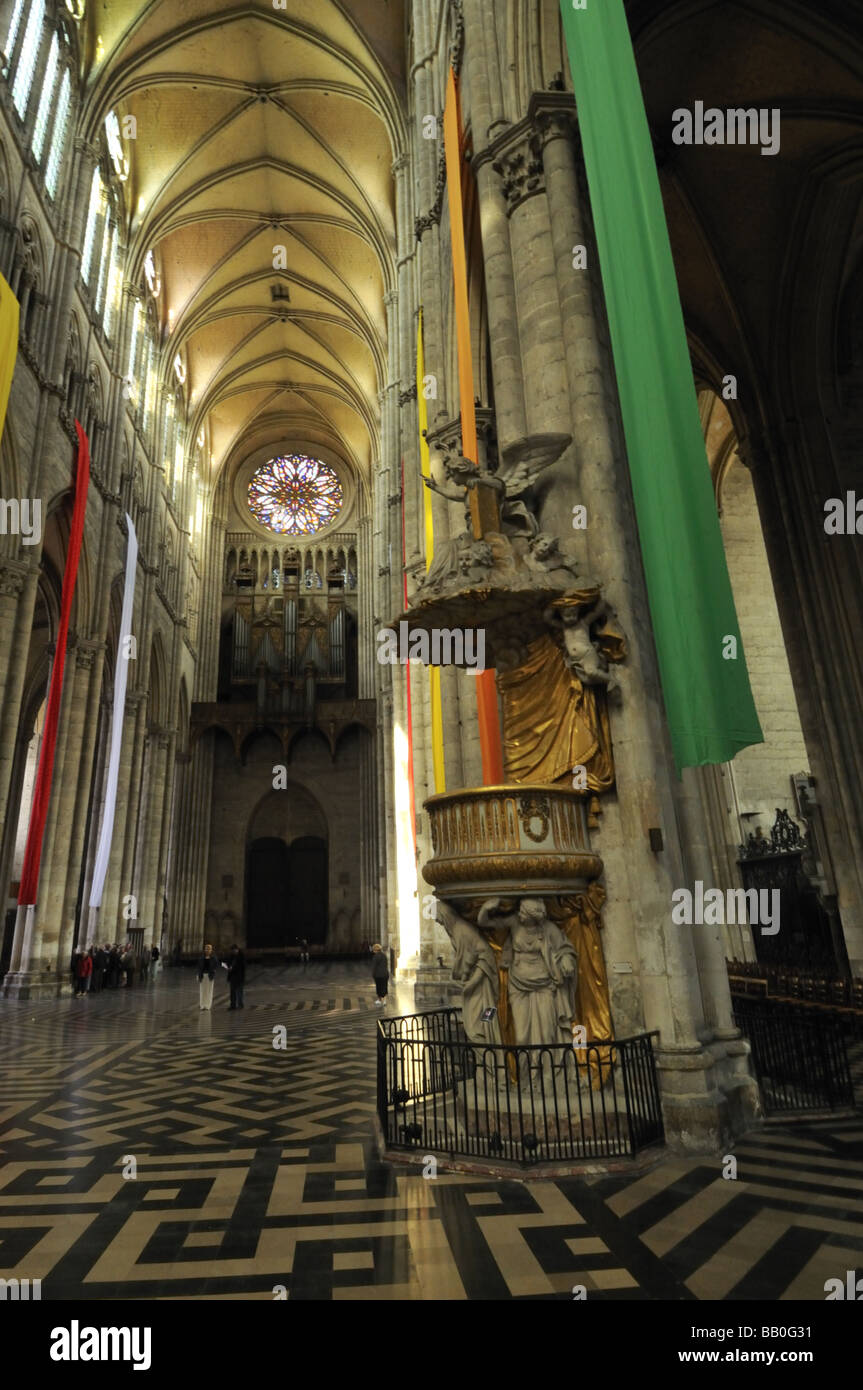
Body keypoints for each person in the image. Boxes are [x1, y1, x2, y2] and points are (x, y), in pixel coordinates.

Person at [196, 943, 219, 1010]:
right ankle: (202, 1005)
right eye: (206, 948)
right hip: (202, 975)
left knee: (209, 991)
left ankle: (208, 1005)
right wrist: (198, 974)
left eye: (209, 949)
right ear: (204, 949)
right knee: (202, 991)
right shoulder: (201, 958)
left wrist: (214, 971)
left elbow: (216, 966)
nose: (207, 950)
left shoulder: (214, 958)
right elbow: (199, 967)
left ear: (211, 950)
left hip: (210, 975)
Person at [226, 944, 245, 1010]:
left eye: (234, 950)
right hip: (232, 976)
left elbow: (242, 967)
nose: (233, 952)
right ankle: (233, 1005)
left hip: (239, 976)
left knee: (239, 991)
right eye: (232, 951)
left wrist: (232, 968)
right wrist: (228, 967)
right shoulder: (231, 956)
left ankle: (240, 1005)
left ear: (237, 949)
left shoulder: (241, 956)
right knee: (232, 991)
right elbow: (228, 963)